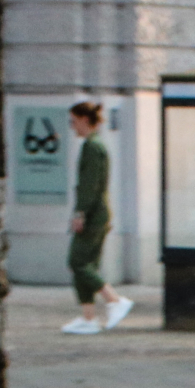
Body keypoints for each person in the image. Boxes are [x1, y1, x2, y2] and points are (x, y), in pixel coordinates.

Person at [61, 102, 133, 336]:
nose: (72, 127)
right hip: (98, 213)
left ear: (84, 119)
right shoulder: (96, 145)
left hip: (93, 214)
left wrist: (80, 213)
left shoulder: (92, 147)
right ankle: (88, 317)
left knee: (78, 262)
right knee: (86, 264)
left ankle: (114, 300)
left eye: (74, 121)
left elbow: (89, 186)